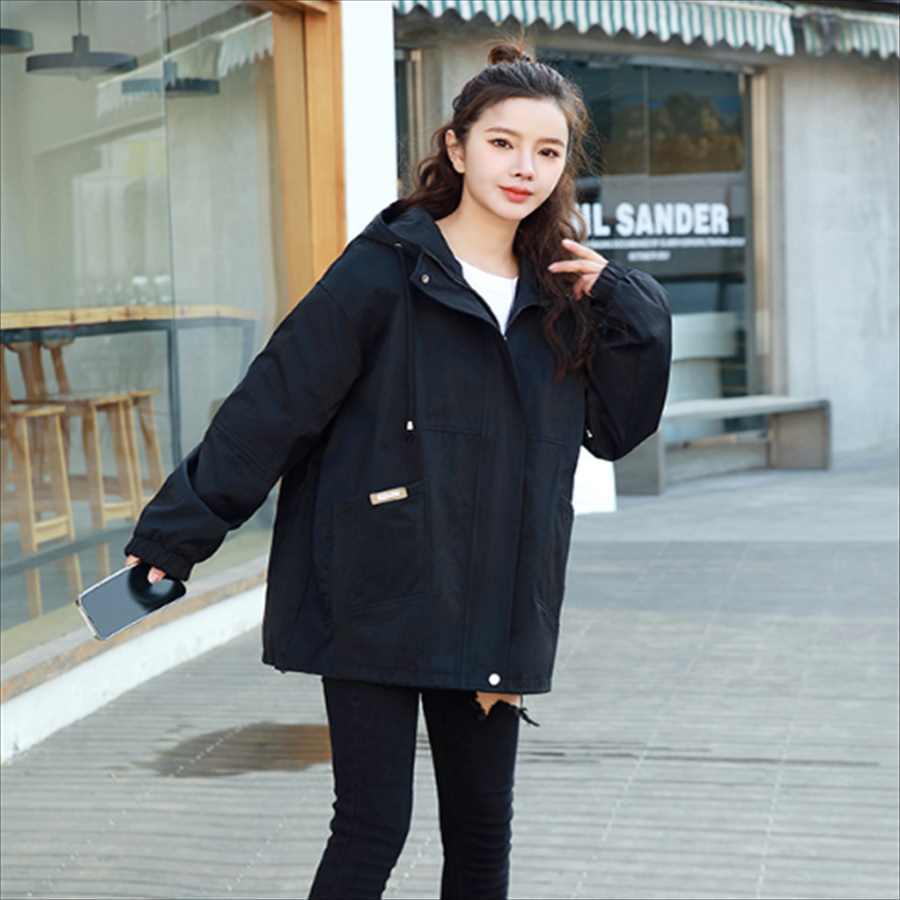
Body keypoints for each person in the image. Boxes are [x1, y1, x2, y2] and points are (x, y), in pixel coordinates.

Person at [123, 38, 672, 900]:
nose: (523, 168)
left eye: (546, 151)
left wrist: (628, 304)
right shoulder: (383, 272)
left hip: (495, 593)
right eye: (502, 143)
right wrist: (176, 534)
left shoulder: (563, 294)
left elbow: (615, 430)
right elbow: (274, 406)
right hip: (376, 591)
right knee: (372, 828)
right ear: (456, 147)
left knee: (482, 836)